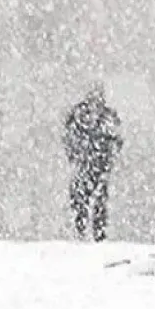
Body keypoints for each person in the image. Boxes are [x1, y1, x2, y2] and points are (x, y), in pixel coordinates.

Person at [63, 81, 123, 242]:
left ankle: (86, 232)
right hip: (93, 164)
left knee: (87, 199)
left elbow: (116, 140)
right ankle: (90, 233)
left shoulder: (81, 115)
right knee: (91, 199)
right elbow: (116, 140)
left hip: (90, 164)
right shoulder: (105, 117)